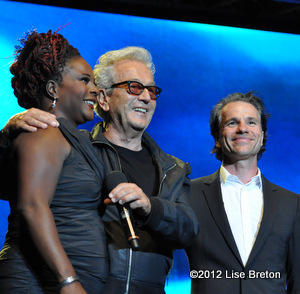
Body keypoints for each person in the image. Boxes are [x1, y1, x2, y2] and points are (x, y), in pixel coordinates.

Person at [0, 46, 199, 293]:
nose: (146, 97)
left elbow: (189, 230)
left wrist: (150, 207)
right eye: (134, 87)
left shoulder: (174, 168)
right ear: (103, 99)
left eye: (151, 90)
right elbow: (17, 193)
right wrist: (7, 136)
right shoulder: (74, 147)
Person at [0, 30, 108, 293]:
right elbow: (33, 206)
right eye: (84, 80)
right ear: (53, 89)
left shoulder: (73, 138)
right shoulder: (44, 131)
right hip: (39, 282)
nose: (94, 89)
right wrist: (67, 280)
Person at [185, 92, 300, 294]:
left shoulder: (291, 203)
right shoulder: (189, 194)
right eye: (232, 123)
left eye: (251, 122)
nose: (243, 129)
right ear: (217, 137)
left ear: (263, 135)